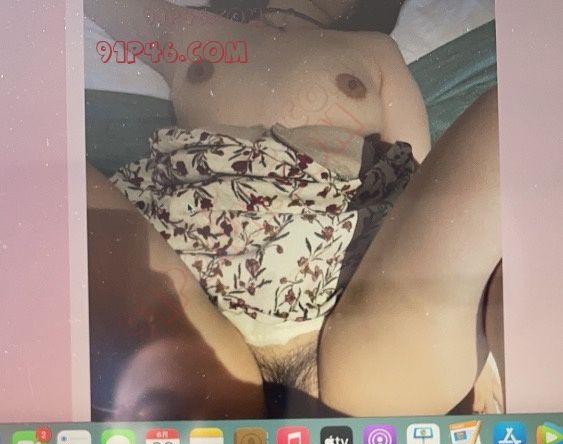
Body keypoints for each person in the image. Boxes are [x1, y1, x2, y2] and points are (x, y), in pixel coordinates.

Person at [85, 0, 503, 421]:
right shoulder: (191, 29)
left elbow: (420, 185)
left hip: (357, 298)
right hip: (202, 288)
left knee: (510, 109)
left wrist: (475, 329)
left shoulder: (374, 49)